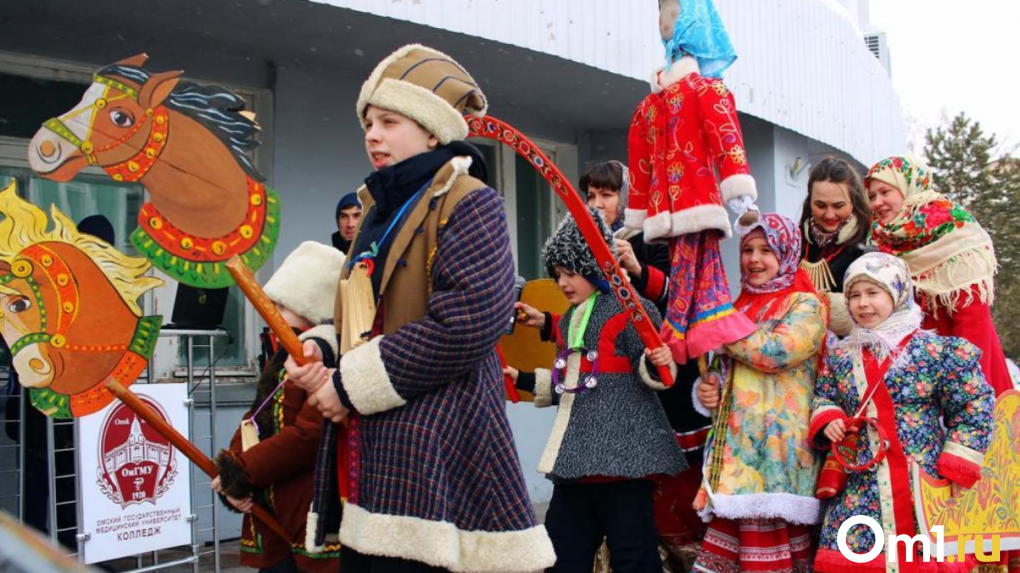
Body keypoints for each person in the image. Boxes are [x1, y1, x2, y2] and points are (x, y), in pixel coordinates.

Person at [283, 44, 555, 573]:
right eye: (367, 122)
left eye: (388, 121)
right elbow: (359, 316)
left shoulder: (473, 201)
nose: (372, 134)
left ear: (432, 131)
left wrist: (345, 387)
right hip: (371, 451)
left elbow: (467, 323)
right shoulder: (374, 212)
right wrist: (321, 346)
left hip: (437, 450)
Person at [504, 208, 687, 573]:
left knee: (633, 554)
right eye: (558, 275)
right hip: (576, 460)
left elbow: (656, 372)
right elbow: (567, 381)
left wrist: (658, 361)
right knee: (561, 553)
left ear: (594, 268)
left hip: (625, 461)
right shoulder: (572, 317)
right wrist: (520, 378)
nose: (563, 283)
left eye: (571, 273)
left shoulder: (634, 310)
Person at [810, 252, 995, 573]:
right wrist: (830, 419)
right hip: (861, 485)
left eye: (873, 293)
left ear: (897, 295)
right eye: (854, 295)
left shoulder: (934, 351)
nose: (863, 303)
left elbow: (973, 402)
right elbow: (826, 395)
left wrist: (957, 465)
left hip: (921, 481)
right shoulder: (841, 356)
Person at [626, 0, 761, 365]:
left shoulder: (704, 90)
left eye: (671, 10)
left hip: (696, 203)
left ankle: (683, 341)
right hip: (671, 211)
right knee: (695, 278)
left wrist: (741, 201)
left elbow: (726, 142)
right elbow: (640, 165)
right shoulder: (650, 106)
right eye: (661, 11)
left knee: (698, 276)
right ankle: (692, 342)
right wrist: (635, 219)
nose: (663, 18)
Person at [693, 213, 827, 573]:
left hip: (780, 453)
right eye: (747, 249)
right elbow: (727, 373)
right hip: (737, 457)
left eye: (766, 250)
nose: (754, 259)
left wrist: (717, 328)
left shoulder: (805, 305)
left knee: (771, 553)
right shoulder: (737, 306)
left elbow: (774, 353)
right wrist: (710, 390)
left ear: (786, 253)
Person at [213, 241, 344, 573]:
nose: (273, 315)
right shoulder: (283, 354)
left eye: (281, 307)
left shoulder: (321, 356)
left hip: (307, 507)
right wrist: (232, 467)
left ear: (309, 307)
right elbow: (255, 418)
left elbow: (308, 436)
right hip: (276, 507)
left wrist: (243, 473)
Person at [866, 155, 1012, 396]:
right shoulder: (890, 240)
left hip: (963, 378)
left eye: (884, 192)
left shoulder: (953, 232)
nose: (877, 202)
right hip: (916, 381)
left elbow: (973, 323)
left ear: (908, 188)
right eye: (872, 196)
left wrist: (966, 393)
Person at [799, 156, 872, 336]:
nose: (829, 214)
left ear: (853, 200)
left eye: (838, 205)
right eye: (820, 205)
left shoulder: (871, 243)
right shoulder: (796, 240)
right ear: (810, 201)